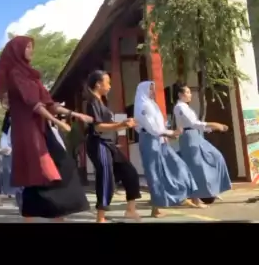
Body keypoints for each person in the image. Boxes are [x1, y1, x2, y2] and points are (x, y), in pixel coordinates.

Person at [0, 35, 92, 221]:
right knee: (45, 171)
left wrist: (75, 114)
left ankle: (50, 217)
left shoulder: (33, 76)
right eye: (28, 47)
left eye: (31, 47)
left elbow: (49, 104)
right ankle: (52, 217)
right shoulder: (16, 74)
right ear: (18, 51)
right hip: (28, 132)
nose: (31, 50)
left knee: (49, 173)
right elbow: (34, 104)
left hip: (42, 129)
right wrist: (58, 122)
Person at [134, 81, 199, 217]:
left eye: (153, 89)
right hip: (149, 141)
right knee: (154, 173)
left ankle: (180, 196)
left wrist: (167, 135)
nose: (153, 92)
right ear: (144, 90)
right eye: (150, 89)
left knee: (178, 165)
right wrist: (170, 133)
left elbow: (159, 126)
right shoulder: (143, 106)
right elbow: (152, 128)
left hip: (160, 139)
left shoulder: (152, 104)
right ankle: (156, 208)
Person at [85, 70, 142, 223]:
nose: (109, 86)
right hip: (99, 143)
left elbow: (109, 124)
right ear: (98, 84)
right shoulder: (92, 102)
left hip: (109, 144)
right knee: (106, 177)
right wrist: (121, 125)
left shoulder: (102, 101)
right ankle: (100, 217)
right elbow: (97, 127)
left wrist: (124, 124)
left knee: (130, 172)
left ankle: (131, 210)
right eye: (107, 82)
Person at [173, 82, 232, 202]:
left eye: (190, 92)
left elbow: (196, 125)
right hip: (189, 137)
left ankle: (212, 189)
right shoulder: (179, 107)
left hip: (196, 136)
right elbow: (193, 124)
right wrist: (215, 125)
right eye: (187, 92)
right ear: (180, 94)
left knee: (216, 157)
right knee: (197, 167)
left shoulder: (186, 107)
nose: (190, 95)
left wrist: (212, 128)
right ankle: (197, 196)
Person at [0, 109, 22, 208]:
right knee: (19, 185)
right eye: (10, 116)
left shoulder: (22, 127)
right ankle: (22, 206)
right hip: (13, 159)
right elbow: (5, 145)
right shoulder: (7, 131)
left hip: (22, 158)